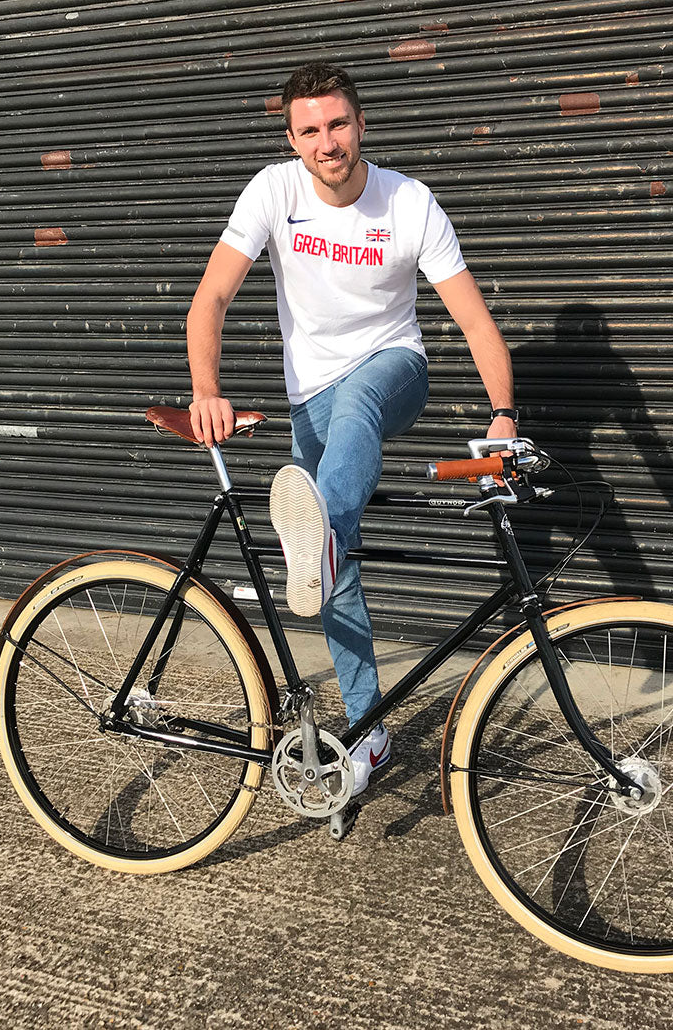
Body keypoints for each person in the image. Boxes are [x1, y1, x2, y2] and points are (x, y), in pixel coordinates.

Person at [186, 62, 517, 796]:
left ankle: (323, 538)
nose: (326, 142)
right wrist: (206, 390)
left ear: (361, 125)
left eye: (337, 124)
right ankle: (367, 733)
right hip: (311, 400)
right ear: (292, 138)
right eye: (310, 130)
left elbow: (471, 318)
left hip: (393, 371)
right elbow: (209, 298)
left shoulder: (409, 203)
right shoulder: (274, 191)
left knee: (347, 451)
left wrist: (502, 415)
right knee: (334, 582)